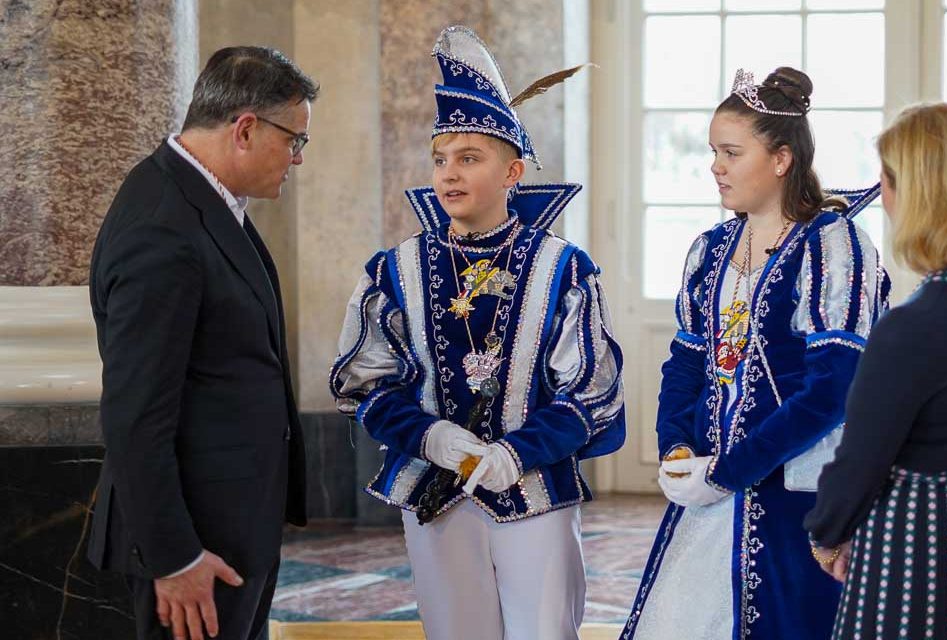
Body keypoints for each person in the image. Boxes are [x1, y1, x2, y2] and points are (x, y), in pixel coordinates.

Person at [330, 26, 623, 640]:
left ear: (513, 170)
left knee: (543, 632)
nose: (450, 173)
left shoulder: (563, 267)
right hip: (433, 489)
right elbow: (364, 381)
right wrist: (432, 437)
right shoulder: (396, 269)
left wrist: (516, 452)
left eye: (470, 158)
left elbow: (591, 392)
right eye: (440, 159)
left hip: (534, 490)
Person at [622, 67, 889, 639]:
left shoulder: (833, 246)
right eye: (714, 152)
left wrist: (732, 470)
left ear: (782, 159)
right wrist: (676, 448)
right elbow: (688, 361)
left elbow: (833, 389)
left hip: (796, 498)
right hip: (707, 491)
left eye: (731, 152)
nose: (716, 166)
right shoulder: (711, 249)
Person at [86, 47, 317, 640]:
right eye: (295, 140)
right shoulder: (163, 229)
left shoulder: (203, 200)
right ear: (245, 128)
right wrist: (175, 557)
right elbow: (135, 416)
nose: (296, 158)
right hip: (194, 545)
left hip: (230, 530)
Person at [804, 103, 947, 640]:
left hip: (917, 542)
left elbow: (862, 458)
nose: (880, 196)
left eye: (885, 179)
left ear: (919, 193)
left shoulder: (913, 326)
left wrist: (827, 533)